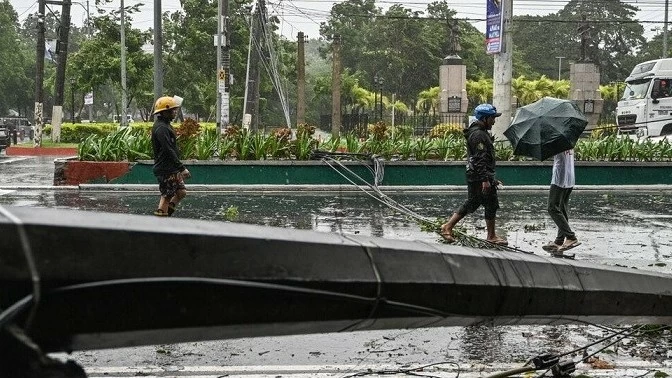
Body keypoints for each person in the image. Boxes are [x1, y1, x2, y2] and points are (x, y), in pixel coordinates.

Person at [440, 103, 508, 246]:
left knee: (487, 203)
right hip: (478, 177)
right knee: (479, 202)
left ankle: (490, 235)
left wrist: (491, 179)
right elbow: (479, 159)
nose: (494, 121)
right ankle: (448, 227)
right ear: (484, 118)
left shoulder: (480, 132)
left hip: (478, 175)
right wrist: (485, 180)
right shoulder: (478, 135)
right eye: (492, 118)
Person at [151, 95, 191, 217]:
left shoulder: (165, 125)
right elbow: (168, 149)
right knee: (167, 196)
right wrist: (181, 167)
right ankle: (161, 223)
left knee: (181, 192)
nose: (175, 112)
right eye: (172, 110)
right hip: (165, 168)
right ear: (164, 112)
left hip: (170, 167)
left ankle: (166, 214)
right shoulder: (161, 128)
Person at [542, 149, 580, 253]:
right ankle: (559, 241)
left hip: (560, 177)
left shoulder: (555, 139)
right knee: (562, 208)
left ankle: (570, 237)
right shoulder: (566, 139)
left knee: (552, 207)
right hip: (569, 176)